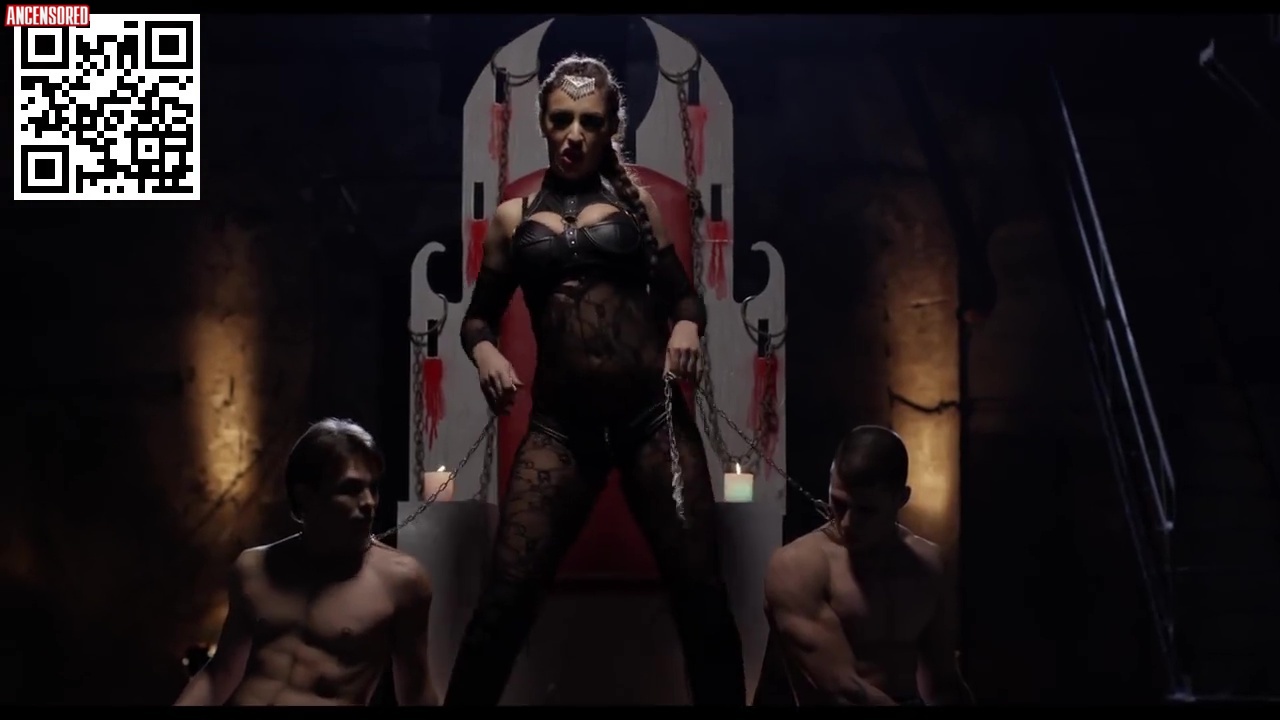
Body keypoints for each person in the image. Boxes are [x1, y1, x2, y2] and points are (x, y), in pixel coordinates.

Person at [448, 54, 745, 705]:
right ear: (543, 123)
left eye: (589, 121)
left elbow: (685, 300)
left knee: (701, 596)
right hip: (562, 430)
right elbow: (476, 319)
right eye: (561, 120)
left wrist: (686, 327)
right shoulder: (512, 218)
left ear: (611, 127)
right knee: (503, 602)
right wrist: (487, 352)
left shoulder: (638, 208)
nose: (574, 134)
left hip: (650, 422)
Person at [173, 418, 438, 706]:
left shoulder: (401, 581)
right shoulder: (254, 568)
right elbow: (220, 675)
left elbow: (417, 694)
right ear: (306, 496)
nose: (369, 502)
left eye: (372, 487)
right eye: (350, 489)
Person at [763, 426, 973, 706]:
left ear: (901, 499)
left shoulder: (928, 563)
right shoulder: (800, 566)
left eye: (866, 510)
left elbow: (944, 680)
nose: (847, 522)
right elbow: (842, 688)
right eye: (839, 503)